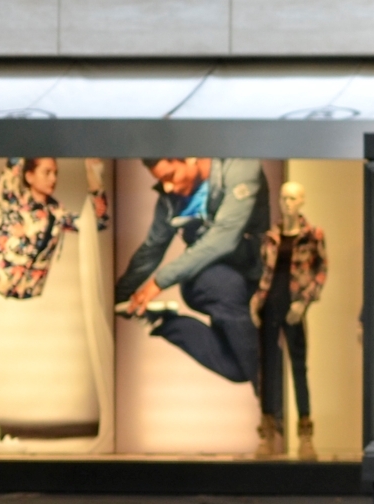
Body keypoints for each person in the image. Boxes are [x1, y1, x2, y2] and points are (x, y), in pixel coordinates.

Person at [116, 159, 271, 416]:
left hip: (254, 275)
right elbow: (150, 251)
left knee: (239, 368)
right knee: (227, 288)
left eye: (171, 175)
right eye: (161, 180)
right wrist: (119, 296)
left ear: (191, 158)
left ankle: (165, 323)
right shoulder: (169, 201)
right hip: (207, 279)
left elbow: (224, 237)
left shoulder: (241, 167)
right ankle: (271, 411)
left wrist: (158, 282)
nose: (167, 187)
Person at [0, 157, 78, 450]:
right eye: (47, 172)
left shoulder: (56, 215)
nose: (53, 178)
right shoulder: (13, 197)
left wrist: (95, 175)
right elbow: (13, 160)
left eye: (55, 173)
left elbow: (100, 220)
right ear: (29, 175)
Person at [250, 180, 328, 460]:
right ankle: (268, 432)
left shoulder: (312, 235)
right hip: (271, 303)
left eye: (293, 198)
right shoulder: (271, 236)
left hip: (294, 305)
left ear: (302, 200)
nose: (287, 203)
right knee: (268, 368)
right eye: (283, 198)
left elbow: (321, 271)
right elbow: (266, 274)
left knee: (298, 368)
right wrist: (257, 300)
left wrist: (304, 302)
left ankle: (305, 434)